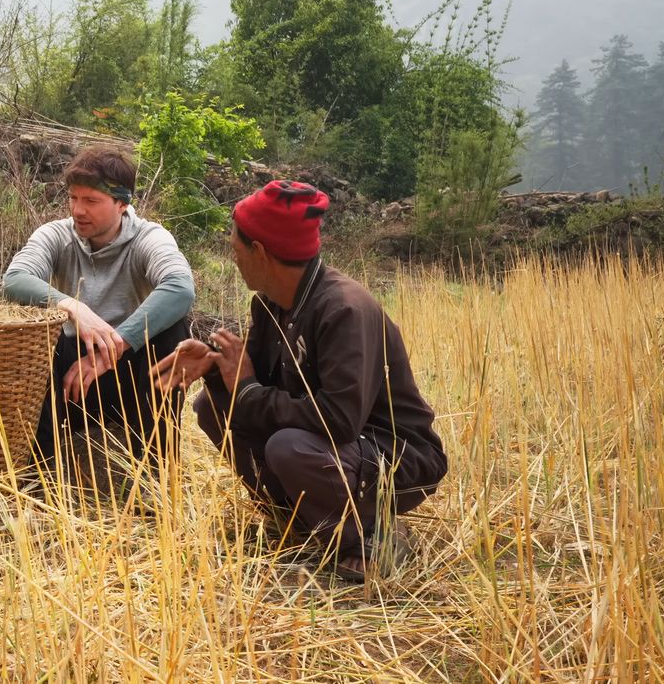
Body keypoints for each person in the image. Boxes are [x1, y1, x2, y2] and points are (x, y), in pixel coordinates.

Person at [153, 181, 448, 583]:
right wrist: (217, 369)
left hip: (393, 455)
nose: (233, 257)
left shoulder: (344, 310)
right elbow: (253, 389)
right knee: (211, 406)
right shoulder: (270, 304)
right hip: (336, 450)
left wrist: (247, 388)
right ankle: (299, 519)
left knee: (289, 446)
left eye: (235, 248)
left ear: (259, 252)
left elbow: (338, 421)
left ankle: (367, 536)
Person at [2, 145, 197, 469]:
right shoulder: (56, 235)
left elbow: (180, 288)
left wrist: (114, 347)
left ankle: (155, 470)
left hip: (129, 377)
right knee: (34, 339)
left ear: (122, 203)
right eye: (74, 198)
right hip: (69, 380)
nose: (78, 210)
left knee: (172, 334)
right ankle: (39, 474)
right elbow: (15, 278)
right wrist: (73, 307)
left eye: (91, 201)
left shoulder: (149, 238)